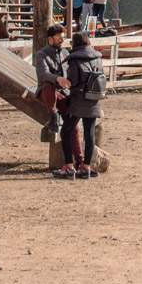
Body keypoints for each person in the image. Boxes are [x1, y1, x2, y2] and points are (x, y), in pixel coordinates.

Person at [61, 31, 105, 179]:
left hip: (78, 101)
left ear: (75, 43)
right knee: (89, 133)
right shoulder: (97, 57)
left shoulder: (75, 59)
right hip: (94, 99)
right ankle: (86, 167)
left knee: (66, 131)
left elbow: (72, 81)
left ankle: (68, 166)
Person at [35, 23, 72, 177]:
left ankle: (74, 163)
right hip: (48, 92)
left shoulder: (65, 53)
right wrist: (58, 78)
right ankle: (52, 115)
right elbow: (43, 75)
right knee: (49, 87)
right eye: (58, 38)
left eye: (62, 37)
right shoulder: (41, 54)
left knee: (72, 126)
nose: (61, 40)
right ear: (50, 39)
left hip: (64, 93)